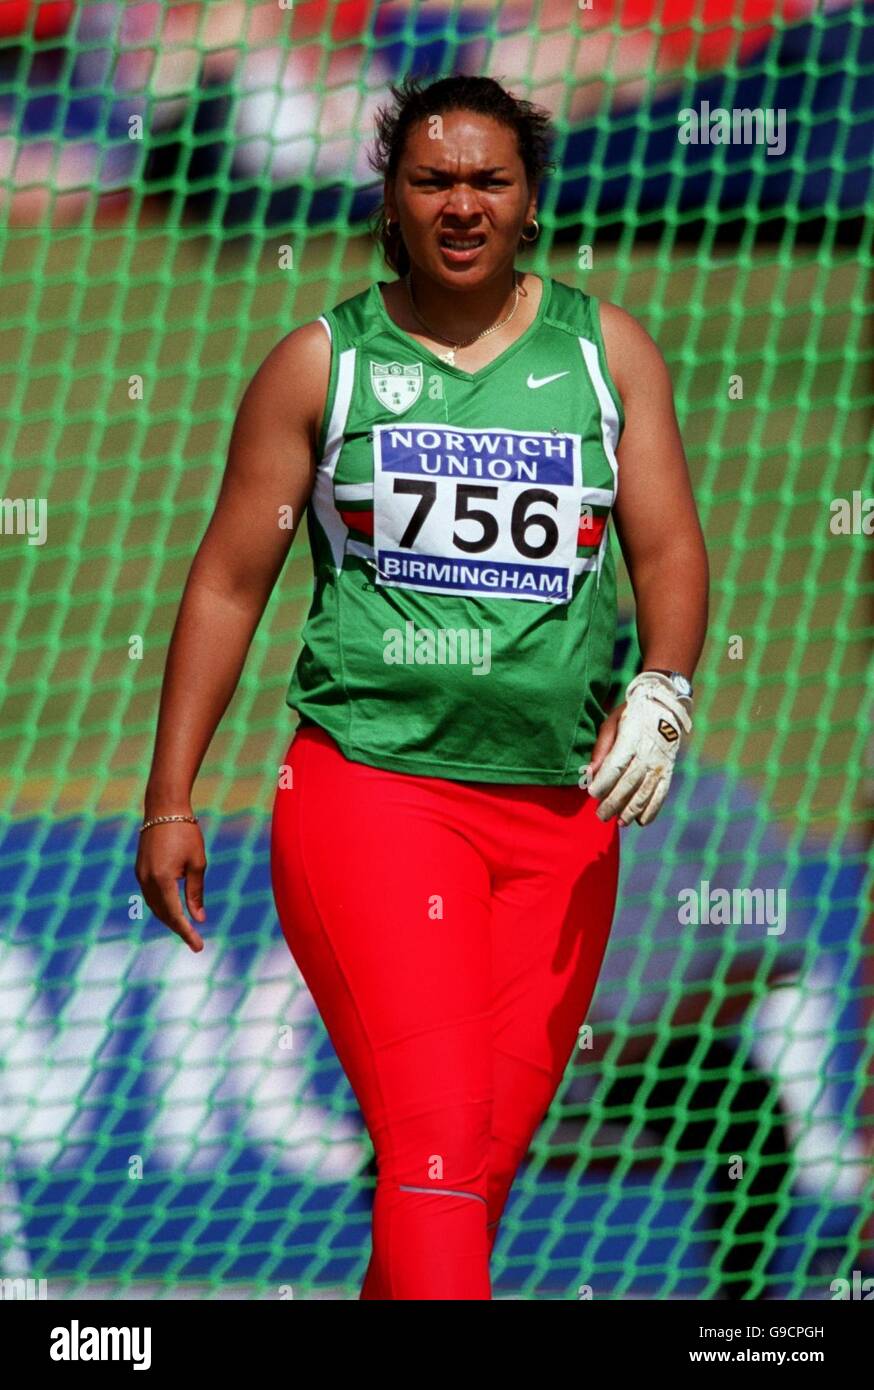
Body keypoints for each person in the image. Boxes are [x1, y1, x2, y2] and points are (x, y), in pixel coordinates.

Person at [135, 73, 709, 1300]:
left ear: (531, 202)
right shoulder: (318, 364)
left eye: (488, 181)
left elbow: (664, 549)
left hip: (563, 826)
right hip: (374, 800)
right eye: (432, 180)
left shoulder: (605, 356)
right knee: (438, 1159)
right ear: (390, 201)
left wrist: (662, 689)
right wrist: (170, 796)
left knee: (459, 1181)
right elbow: (228, 585)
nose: (462, 205)